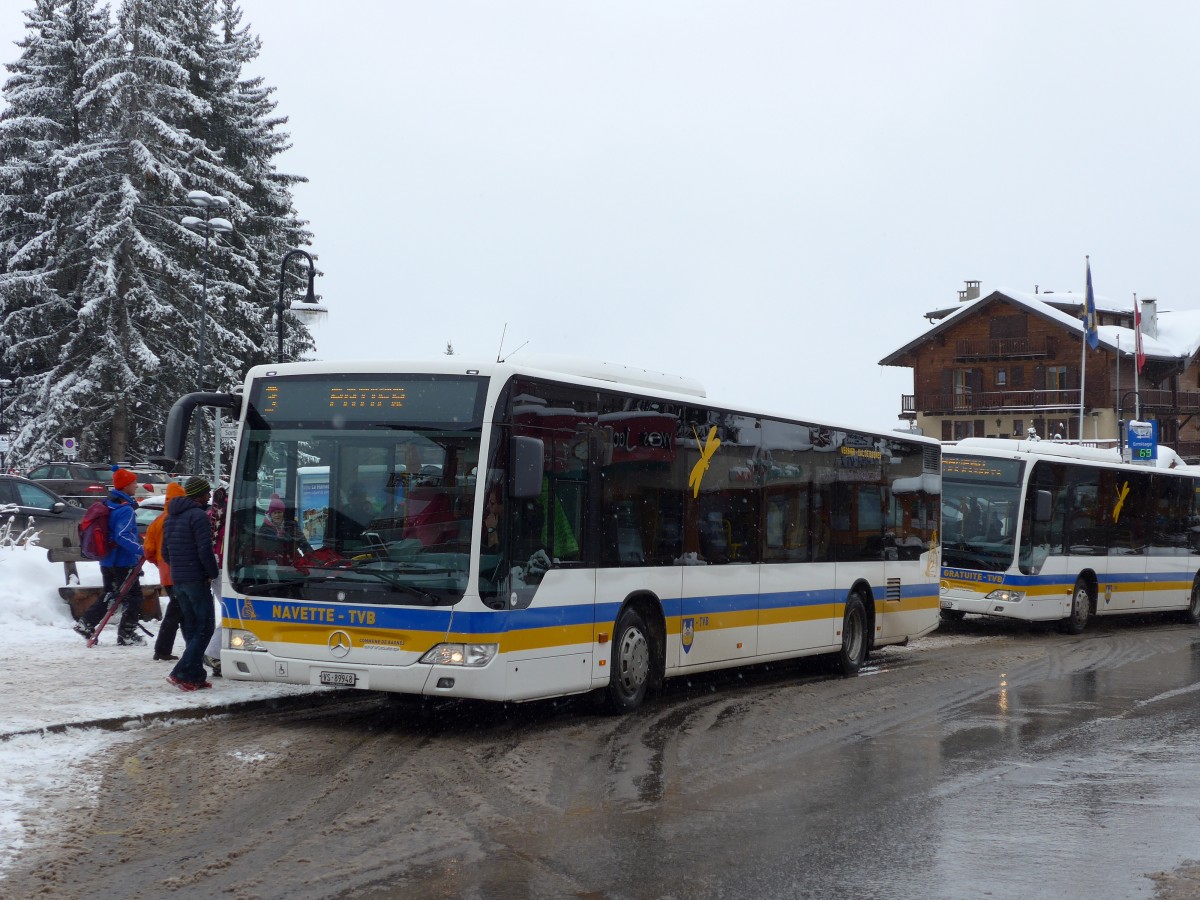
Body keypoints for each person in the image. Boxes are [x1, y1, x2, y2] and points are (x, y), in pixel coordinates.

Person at [73, 466, 145, 646]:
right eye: (134, 483)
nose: (136, 486)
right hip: (122, 561)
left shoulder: (107, 503)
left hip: (106, 559)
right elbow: (122, 536)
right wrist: (142, 550)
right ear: (125, 486)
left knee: (110, 594)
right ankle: (126, 634)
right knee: (134, 596)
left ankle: (86, 623)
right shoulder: (125, 509)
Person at [162, 476, 218, 691]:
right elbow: (205, 549)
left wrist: (178, 567)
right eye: (207, 492)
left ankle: (195, 675)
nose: (209, 496)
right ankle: (181, 672)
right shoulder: (198, 516)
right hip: (196, 579)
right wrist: (211, 572)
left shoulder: (170, 517)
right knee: (205, 627)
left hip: (179, 579)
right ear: (200, 494)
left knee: (192, 627)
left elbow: (165, 552)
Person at [144, 481, 186, 661]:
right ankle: (162, 649)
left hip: (165, 571)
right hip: (182, 569)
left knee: (180, 610)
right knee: (177, 611)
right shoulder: (181, 518)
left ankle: (187, 646)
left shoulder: (157, 521)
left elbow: (148, 551)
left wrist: (159, 563)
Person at [203, 486, 228, 677]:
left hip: (212, 567)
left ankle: (217, 654)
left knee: (229, 611)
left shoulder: (210, 515)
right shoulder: (231, 515)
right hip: (224, 568)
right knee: (233, 612)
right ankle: (213, 654)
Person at [257, 492, 311, 563]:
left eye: (279, 512)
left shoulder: (291, 525)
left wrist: (312, 557)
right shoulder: (264, 529)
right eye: (274, 513)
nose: (277, 515)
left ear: (283, 513)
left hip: (292, 558)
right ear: (270, 514)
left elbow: (303, 542)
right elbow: (261, 549)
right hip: (273, 562)